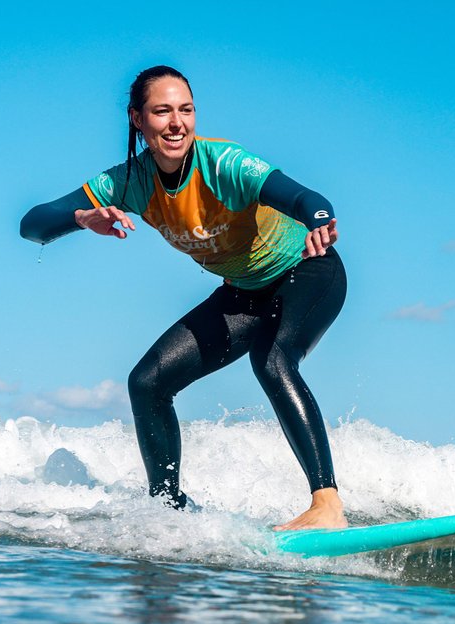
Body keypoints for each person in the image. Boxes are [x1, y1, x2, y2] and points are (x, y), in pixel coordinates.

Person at [19, 65, 347, 530]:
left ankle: (327, 505)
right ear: (138, 119)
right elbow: (32, 225)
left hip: (309, 270)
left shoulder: (223, 163)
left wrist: (319, 220)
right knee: (147, 382)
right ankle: (166, 511)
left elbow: (304, 197)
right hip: (244, 293)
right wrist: (81, 217)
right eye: (162, 111)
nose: (176, 122)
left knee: (273, 360)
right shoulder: (127, 182)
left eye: (186, 109)